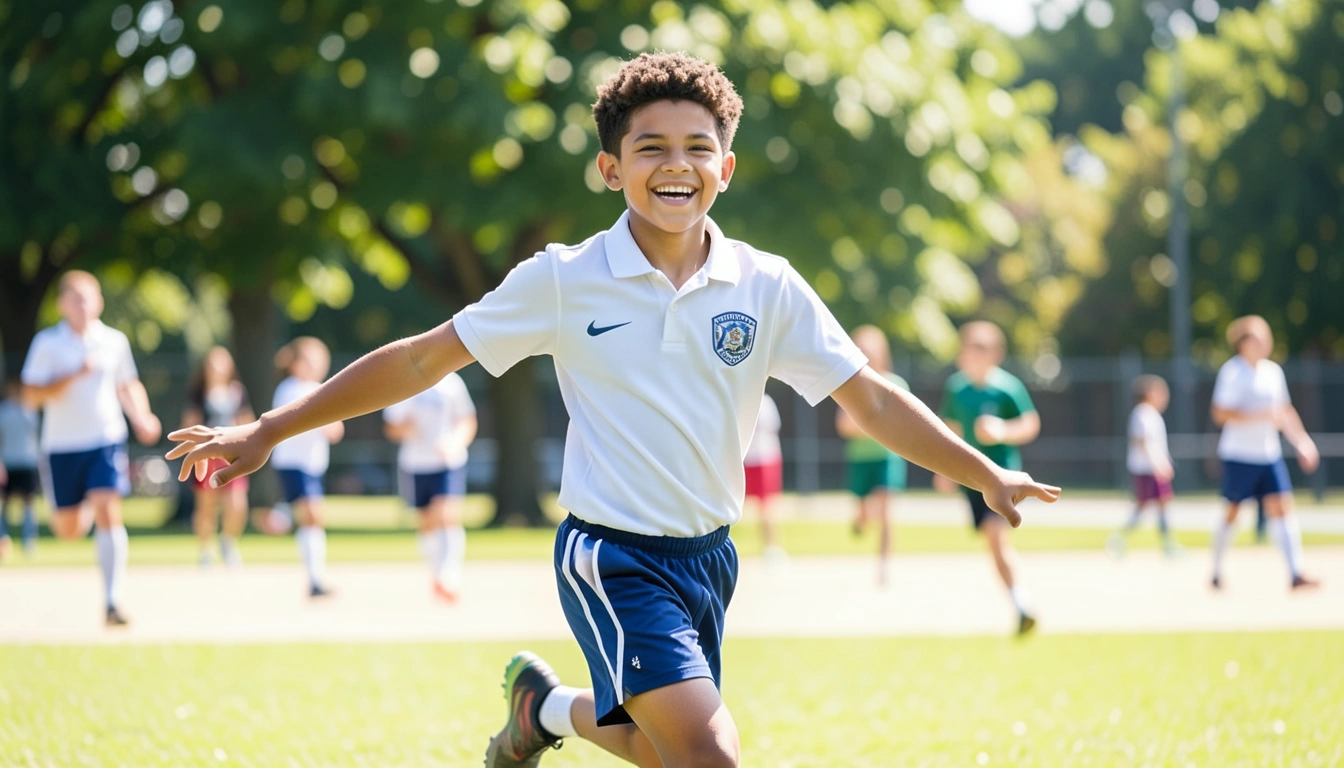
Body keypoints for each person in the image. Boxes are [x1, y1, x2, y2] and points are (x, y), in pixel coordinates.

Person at [166, 52, 1060, 768]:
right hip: (610, 552)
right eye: (651, 147)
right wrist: (271, 428)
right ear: (610, 167)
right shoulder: (562, 278)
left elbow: (869, 395)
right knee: (710, 752)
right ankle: (547, 706)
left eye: (698, 146)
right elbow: (423, 356)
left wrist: (982, 473)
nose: (678, 165)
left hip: (711, 556)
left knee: (670, 750)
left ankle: (543, 708)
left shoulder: (767, 286)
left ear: (727, 166)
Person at [21, 270, 161, 625]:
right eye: (75, 298)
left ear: (99, 302)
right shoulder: (47, 344)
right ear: (61, 305)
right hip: (61, 447)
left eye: (89, 297)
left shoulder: (114, 341)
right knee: (68, 531)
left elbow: (128, 384)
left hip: (105, 440)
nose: (83, 305)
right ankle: (82, 503)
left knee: (109, 507)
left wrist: (142, 416)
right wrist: (72, 376)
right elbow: (30, 396)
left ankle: (113, 601)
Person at [936, 321, 1041, 636]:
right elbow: (948, 430)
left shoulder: (1007, 387)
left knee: (996, 537)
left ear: (996, 353)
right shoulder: (957, 388)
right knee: (994, 543)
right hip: (971, 480)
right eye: (969, 347)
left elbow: (1030, 423)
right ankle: (1018, 601)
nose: (973, 354)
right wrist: (943, 470)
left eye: (981, 348)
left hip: (1002, 476)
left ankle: (1021, 603)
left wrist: (1002, 430)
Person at [1210, 315, 1320, 590]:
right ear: (1243, 342)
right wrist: (1257, 416)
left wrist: (1302, 442)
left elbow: (1284, 411)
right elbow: (1220, 413)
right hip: (1239, 455)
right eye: (1258, 337)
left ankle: (1295, 574)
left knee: (1282, 507)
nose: (1265, 342)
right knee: (1233, 512)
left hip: (1268, 454)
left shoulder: (1273, 372)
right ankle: (1216, 570)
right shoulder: (1232, 371)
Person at [383, 372, 477, 601]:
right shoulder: (405, 382)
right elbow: (392, 426)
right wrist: (405, 429)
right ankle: (437, 575)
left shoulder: (452, 382)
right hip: (415, 464)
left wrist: (455, 442)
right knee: (426, 521)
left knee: (447, 513)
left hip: (447, 461)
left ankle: (449, 576)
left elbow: (467, 420)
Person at [836, 326, 909, 586]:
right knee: (866, 512)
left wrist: (867, 425)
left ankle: (884, 565)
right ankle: (861, 518)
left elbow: (903, 424)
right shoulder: (851, 384)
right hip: (861, 458)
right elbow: (844, 426)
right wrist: (874, 425)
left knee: (887, 511)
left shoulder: (895, 384)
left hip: (887, 457)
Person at [271, 337, 344, 597]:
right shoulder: (291, 389)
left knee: (312, 519)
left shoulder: (315, 388)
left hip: (310, 465)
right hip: (295, 463)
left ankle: (279, 517)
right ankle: (315, 580)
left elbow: (334, 429)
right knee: (312, 517)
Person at [182, 346, 254, 568]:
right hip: (208, 457)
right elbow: (189, 425)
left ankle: (228, 543)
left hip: (231, 457)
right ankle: (205, 550)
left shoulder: (237, 392)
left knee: (237, 506)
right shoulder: (199, 394)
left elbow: (248, 422)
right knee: (206, 508)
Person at [1107, 375, 1179, 558]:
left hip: (1150, 468)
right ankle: (1121, 539)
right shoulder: (1143, 413)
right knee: (1149, 504)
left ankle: (1167, 544)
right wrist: (1159, 464)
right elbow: (1143, 442)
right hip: (1147, 469)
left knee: (1158, 504)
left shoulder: (1150, 414)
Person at [0, 377, 41, 559]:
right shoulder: (10, 412)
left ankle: (27, 542)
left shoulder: (27, 411)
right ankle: (5, 540)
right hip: (11, 463)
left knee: (27, 505)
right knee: (7, 505)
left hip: (26, 462)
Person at [742, 393, 784, 562]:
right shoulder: (740, 397)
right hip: (745, 459)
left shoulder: (765, 402)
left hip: (765, 458)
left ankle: (771, 548)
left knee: (767, 507)